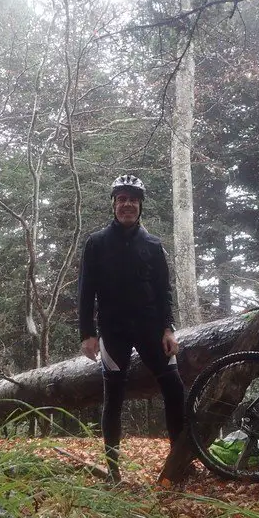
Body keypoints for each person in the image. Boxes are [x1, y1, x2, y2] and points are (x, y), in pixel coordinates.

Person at [78, 174, 185, 482]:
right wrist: (87, 334)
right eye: (122, 199)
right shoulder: (96, 243)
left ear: (140, 205)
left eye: (133, 200)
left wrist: (168, 329)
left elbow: (164, 290)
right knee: (113, 396)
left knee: (175, 388)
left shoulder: (152, 244)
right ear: (114, 204)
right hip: (114, 330)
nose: (127, 205)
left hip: (152, 328)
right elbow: (86, 291)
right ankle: (113, 472)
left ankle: (178, 462)